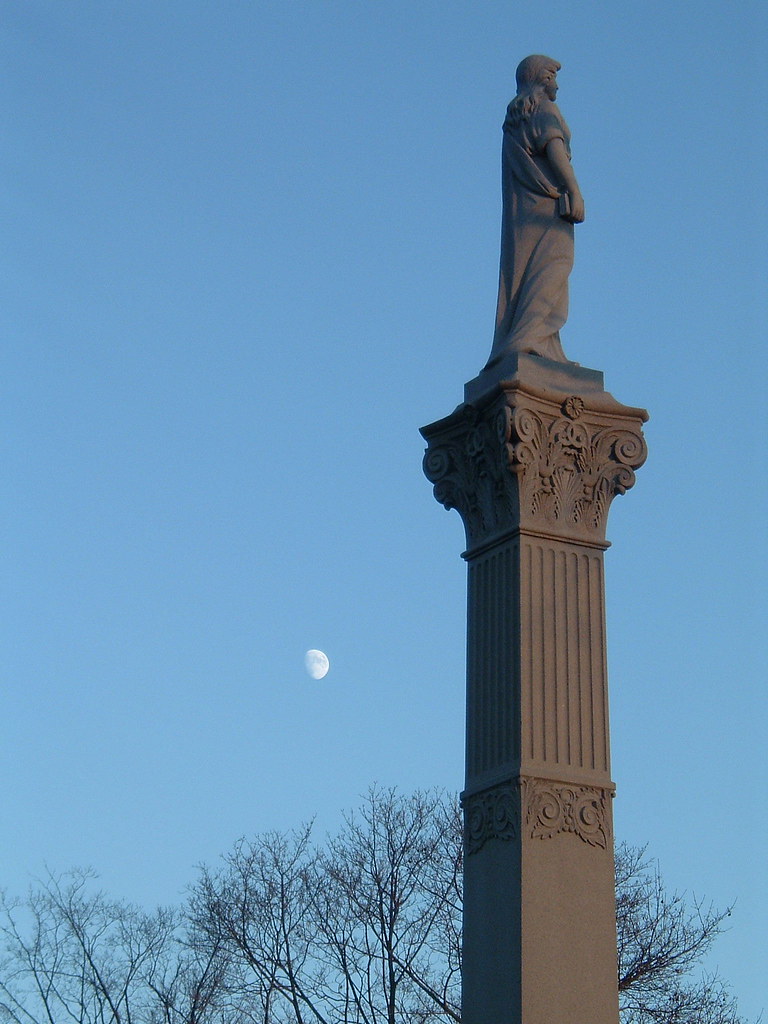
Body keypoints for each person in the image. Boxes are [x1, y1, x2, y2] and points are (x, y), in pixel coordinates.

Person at [487, 55, 584, 366]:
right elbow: (555, 150)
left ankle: (543, 345)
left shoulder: (516, 117)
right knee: (554, 266)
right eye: (552, 77)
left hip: (523, 212)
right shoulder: (543, 108)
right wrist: (574, 190)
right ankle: (527, 339)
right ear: (541, 79)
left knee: (527, 273)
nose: (555, 84)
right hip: (548, 207)